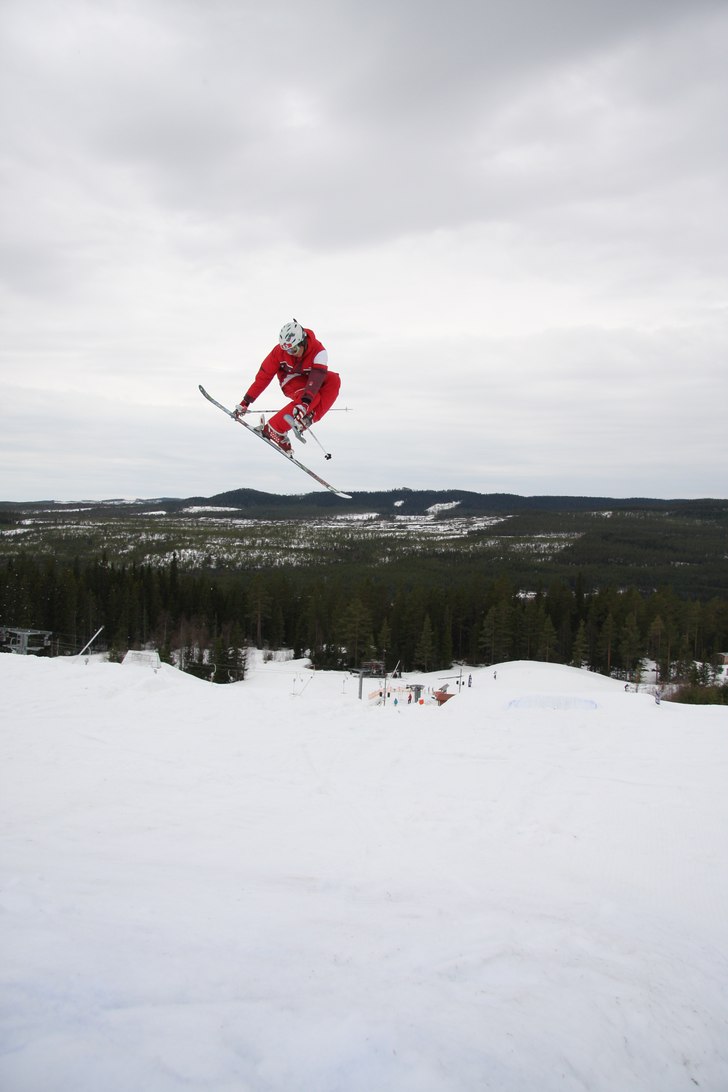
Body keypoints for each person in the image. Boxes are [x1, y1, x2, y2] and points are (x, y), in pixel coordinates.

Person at [233, 320, 341, 454]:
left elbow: (316, 380)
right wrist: (246, 402)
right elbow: (263, 377)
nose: (290, 353)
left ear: (303, 342)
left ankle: (307, 419)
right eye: (287, 350)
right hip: (290, 380)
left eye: (293, 349)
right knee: (311, 396)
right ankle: (274, 427)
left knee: (334, 380)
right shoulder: (279, 352)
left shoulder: (319, 352)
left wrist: (304, 406)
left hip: (310, 380)